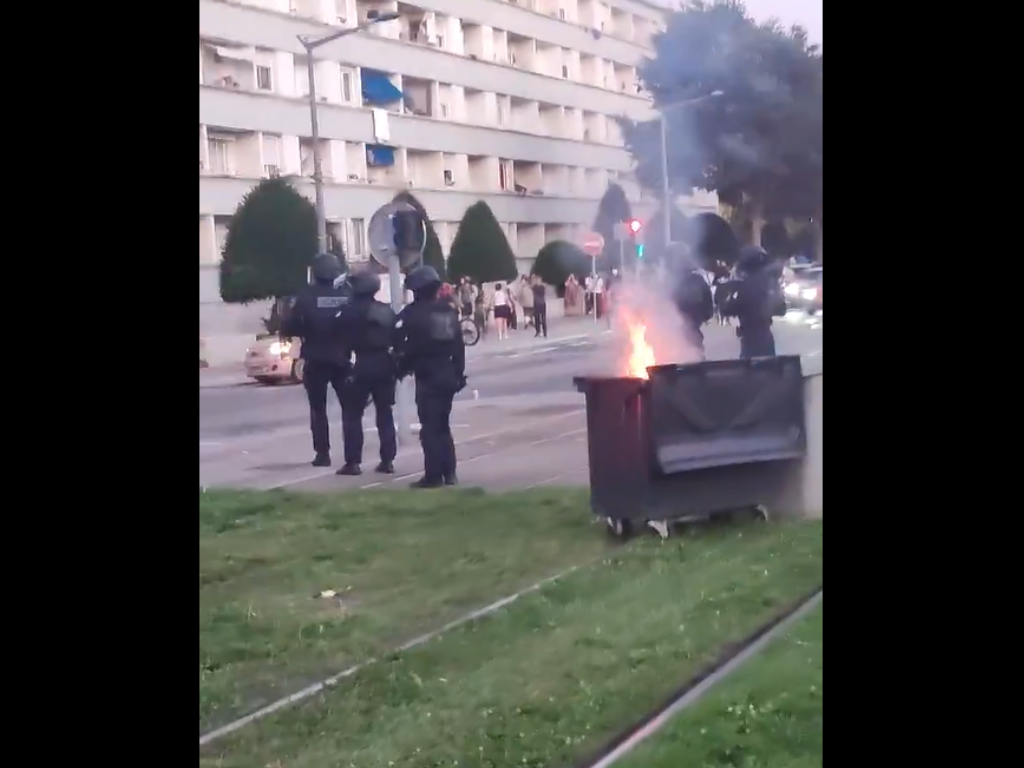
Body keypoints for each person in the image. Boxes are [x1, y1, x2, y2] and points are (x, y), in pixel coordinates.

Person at [394, 265, 467, 488]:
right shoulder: (448, 311)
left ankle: (434, 475)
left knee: (430, 427)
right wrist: (458, 373)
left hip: (427, 375)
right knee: (443, 425)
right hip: (448, 373)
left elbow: (403, 345)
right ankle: (450, 472)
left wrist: (401, 368)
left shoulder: (412, 314)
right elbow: (459, 346)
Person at [280, 252, 353, 467]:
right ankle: (352, 458)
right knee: (349, 409)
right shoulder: (347, 293)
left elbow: (290, 326)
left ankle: (323, 454)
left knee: (318, 409)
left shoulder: (305, 296)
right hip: (342, 358)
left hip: (315, 358)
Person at [334, 269, 397, 476]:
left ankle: (353, 462)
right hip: (385, 363)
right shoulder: (386, 310)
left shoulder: (348, 311)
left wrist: (344, 364)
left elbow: (340, 339)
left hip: (360, 363)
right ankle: (387, 460)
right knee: (385, 413)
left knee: (352, 414)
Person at [719, 245, 784, 358]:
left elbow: (727, 309)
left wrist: (728, 290)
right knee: (769, 369)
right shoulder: (770, 283)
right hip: (766, 336)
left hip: (751, 337)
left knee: (749, 371)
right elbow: (781, 309)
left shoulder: (745, 285)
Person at [670, 248, 715, 357]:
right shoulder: (699, 280)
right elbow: (709, 311)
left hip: (674, 338)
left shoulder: (671, 283)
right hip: (695, 334)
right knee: (697, 362)